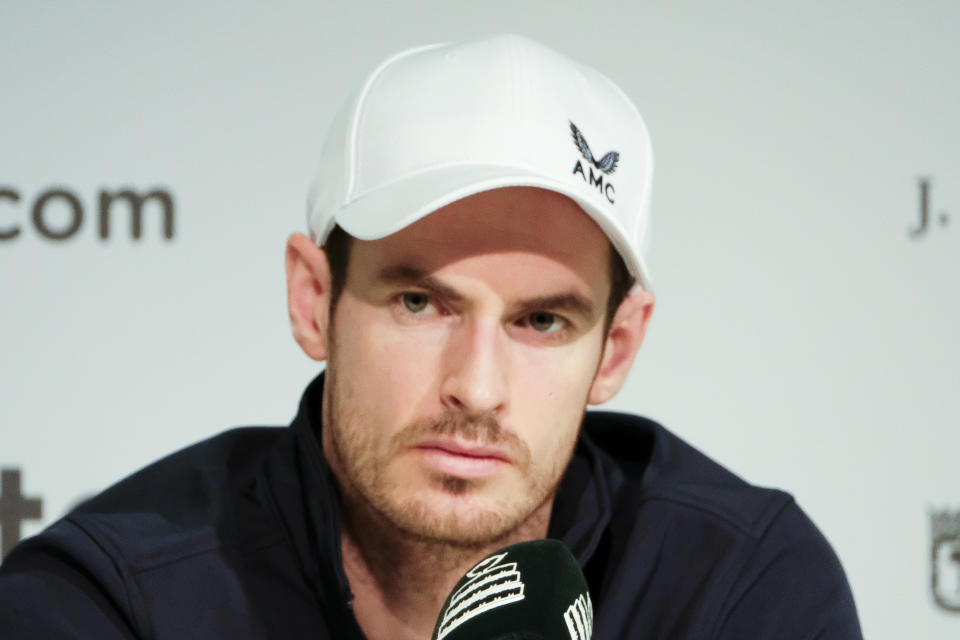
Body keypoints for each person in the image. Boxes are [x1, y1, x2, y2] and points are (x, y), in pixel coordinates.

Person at [0, 34, 862, 639]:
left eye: (542, 321)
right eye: (421, 304)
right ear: (313, 301)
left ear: (619, 349)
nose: (476, 387)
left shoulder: (736, 587)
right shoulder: (117, 601)